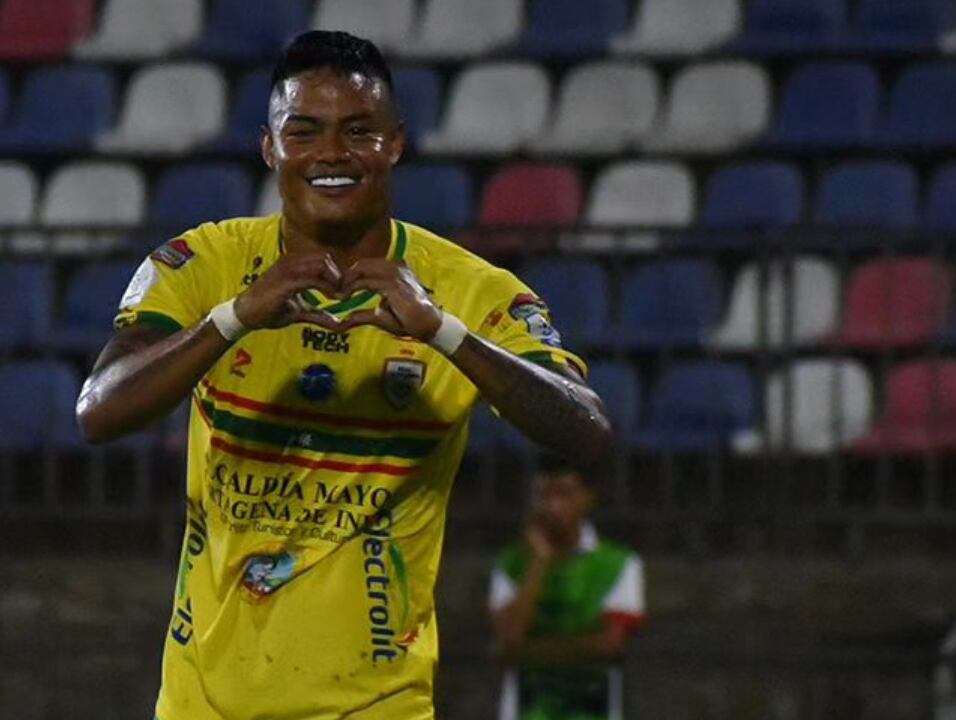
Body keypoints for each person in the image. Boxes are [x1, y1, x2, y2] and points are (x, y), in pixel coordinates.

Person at [76, 30, 613, 720]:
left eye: (359, 131)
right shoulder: (203, 263)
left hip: (378, 706)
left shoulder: (470, 291)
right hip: (203, 704)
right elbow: (98, 411)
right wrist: (233, 319)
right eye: (305, 131)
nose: (331, 154)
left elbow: (588, 432)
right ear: (270, 147)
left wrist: (445, 333)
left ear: (394, 142)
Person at [489, 456, 644, 720]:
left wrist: (530, 651)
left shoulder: (619, 564)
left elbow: (609, 646)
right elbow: (510, 640)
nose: (553, 507)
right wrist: (539, 561)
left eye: (564, 494)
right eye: (544, 496)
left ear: (587, 498)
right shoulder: (511, 563)